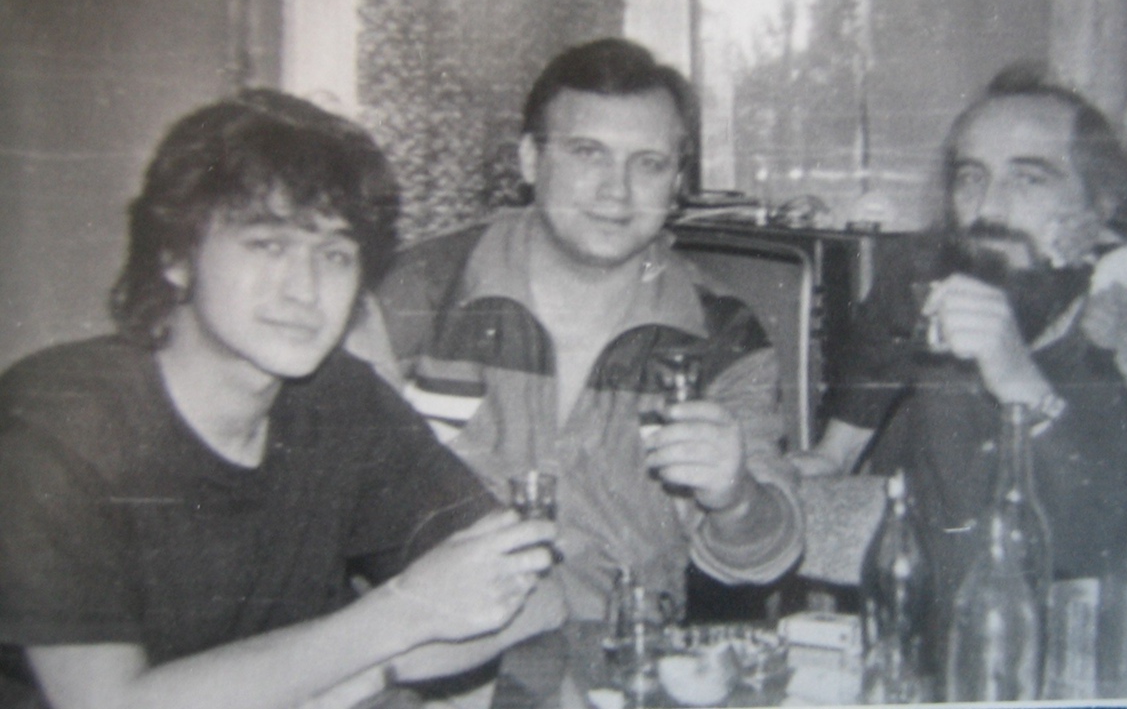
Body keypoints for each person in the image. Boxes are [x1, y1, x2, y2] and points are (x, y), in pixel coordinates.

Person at [0, 91, 563, 709]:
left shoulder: (339, 397)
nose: (305, 289)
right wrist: (399, 616)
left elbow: (536, 592)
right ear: (175, 257)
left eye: (335, 255)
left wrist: (371, 671)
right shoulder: (59, 420)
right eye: (268, 245)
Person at [349, 38, 803, 620]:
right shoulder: (412, 294)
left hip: (617, 658)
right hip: (428, 657)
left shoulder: (723, 332)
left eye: (649, 163)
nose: (617, 190)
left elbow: (766, 558)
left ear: (677, 181)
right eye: (588, 153)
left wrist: (735, 498)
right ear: (530, 161)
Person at [791, 64, 1127, 640]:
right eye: (971, 178)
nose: (989, 208)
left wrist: (1017, 379)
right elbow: (881, 332)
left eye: (1029, 179)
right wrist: (835, 452)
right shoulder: (935, 277)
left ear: (1103, 204)